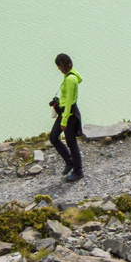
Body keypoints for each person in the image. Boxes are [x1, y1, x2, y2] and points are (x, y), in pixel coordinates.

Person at [49, 53, 84, 182]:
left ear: (62, 66)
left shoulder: (70, 79)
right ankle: (69, 162)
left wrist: (64, 120)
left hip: (68, 114)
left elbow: (69, 101)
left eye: (58, 66)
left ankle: (78, 171)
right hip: (64, 112)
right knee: (53, 137)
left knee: (71, 143)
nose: (58, 69)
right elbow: (66, 98)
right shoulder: (69, 75)